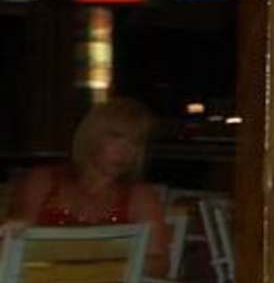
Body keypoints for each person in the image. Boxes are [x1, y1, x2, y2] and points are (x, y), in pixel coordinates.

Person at [2, 98, 170, 265]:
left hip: (108, 282)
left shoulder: (140, 196)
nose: (126, 151)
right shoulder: (43, 181)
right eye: (116, 137)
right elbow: (11, 245)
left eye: (136, 143)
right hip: (37, 280)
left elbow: (158, 265)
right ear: (92, 137)